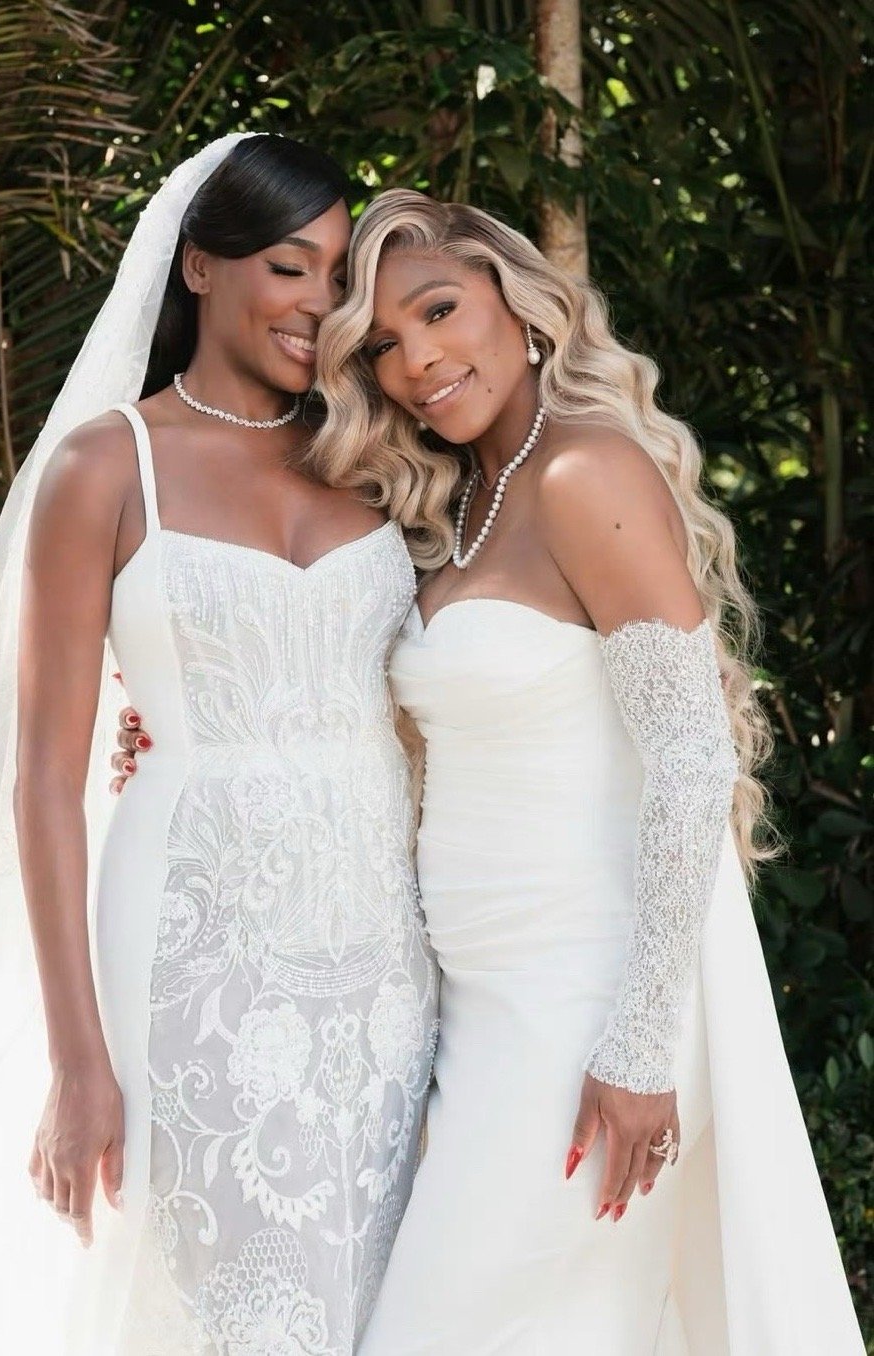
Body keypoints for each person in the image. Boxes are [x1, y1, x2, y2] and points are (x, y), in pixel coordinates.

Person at [117, 187, 868, 1352]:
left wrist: (639, 1045)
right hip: (471, 1010)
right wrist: (182, 725)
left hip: (584, 1006)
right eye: (381, 345)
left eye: (439, 311)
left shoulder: (583, 474)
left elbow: (689, 756)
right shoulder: (461, 504)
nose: (418, 360)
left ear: (521, 306)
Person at [0, 136, 437, 1356]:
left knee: (379, 1286)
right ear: (199, 267)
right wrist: (78, 1061)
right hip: (192, 949)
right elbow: (43, 781)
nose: (319, 302)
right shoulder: (105, 465)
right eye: (289, 266)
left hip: (382, 959)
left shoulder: (375, 451)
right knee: (220, 1298)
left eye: (339, 276)